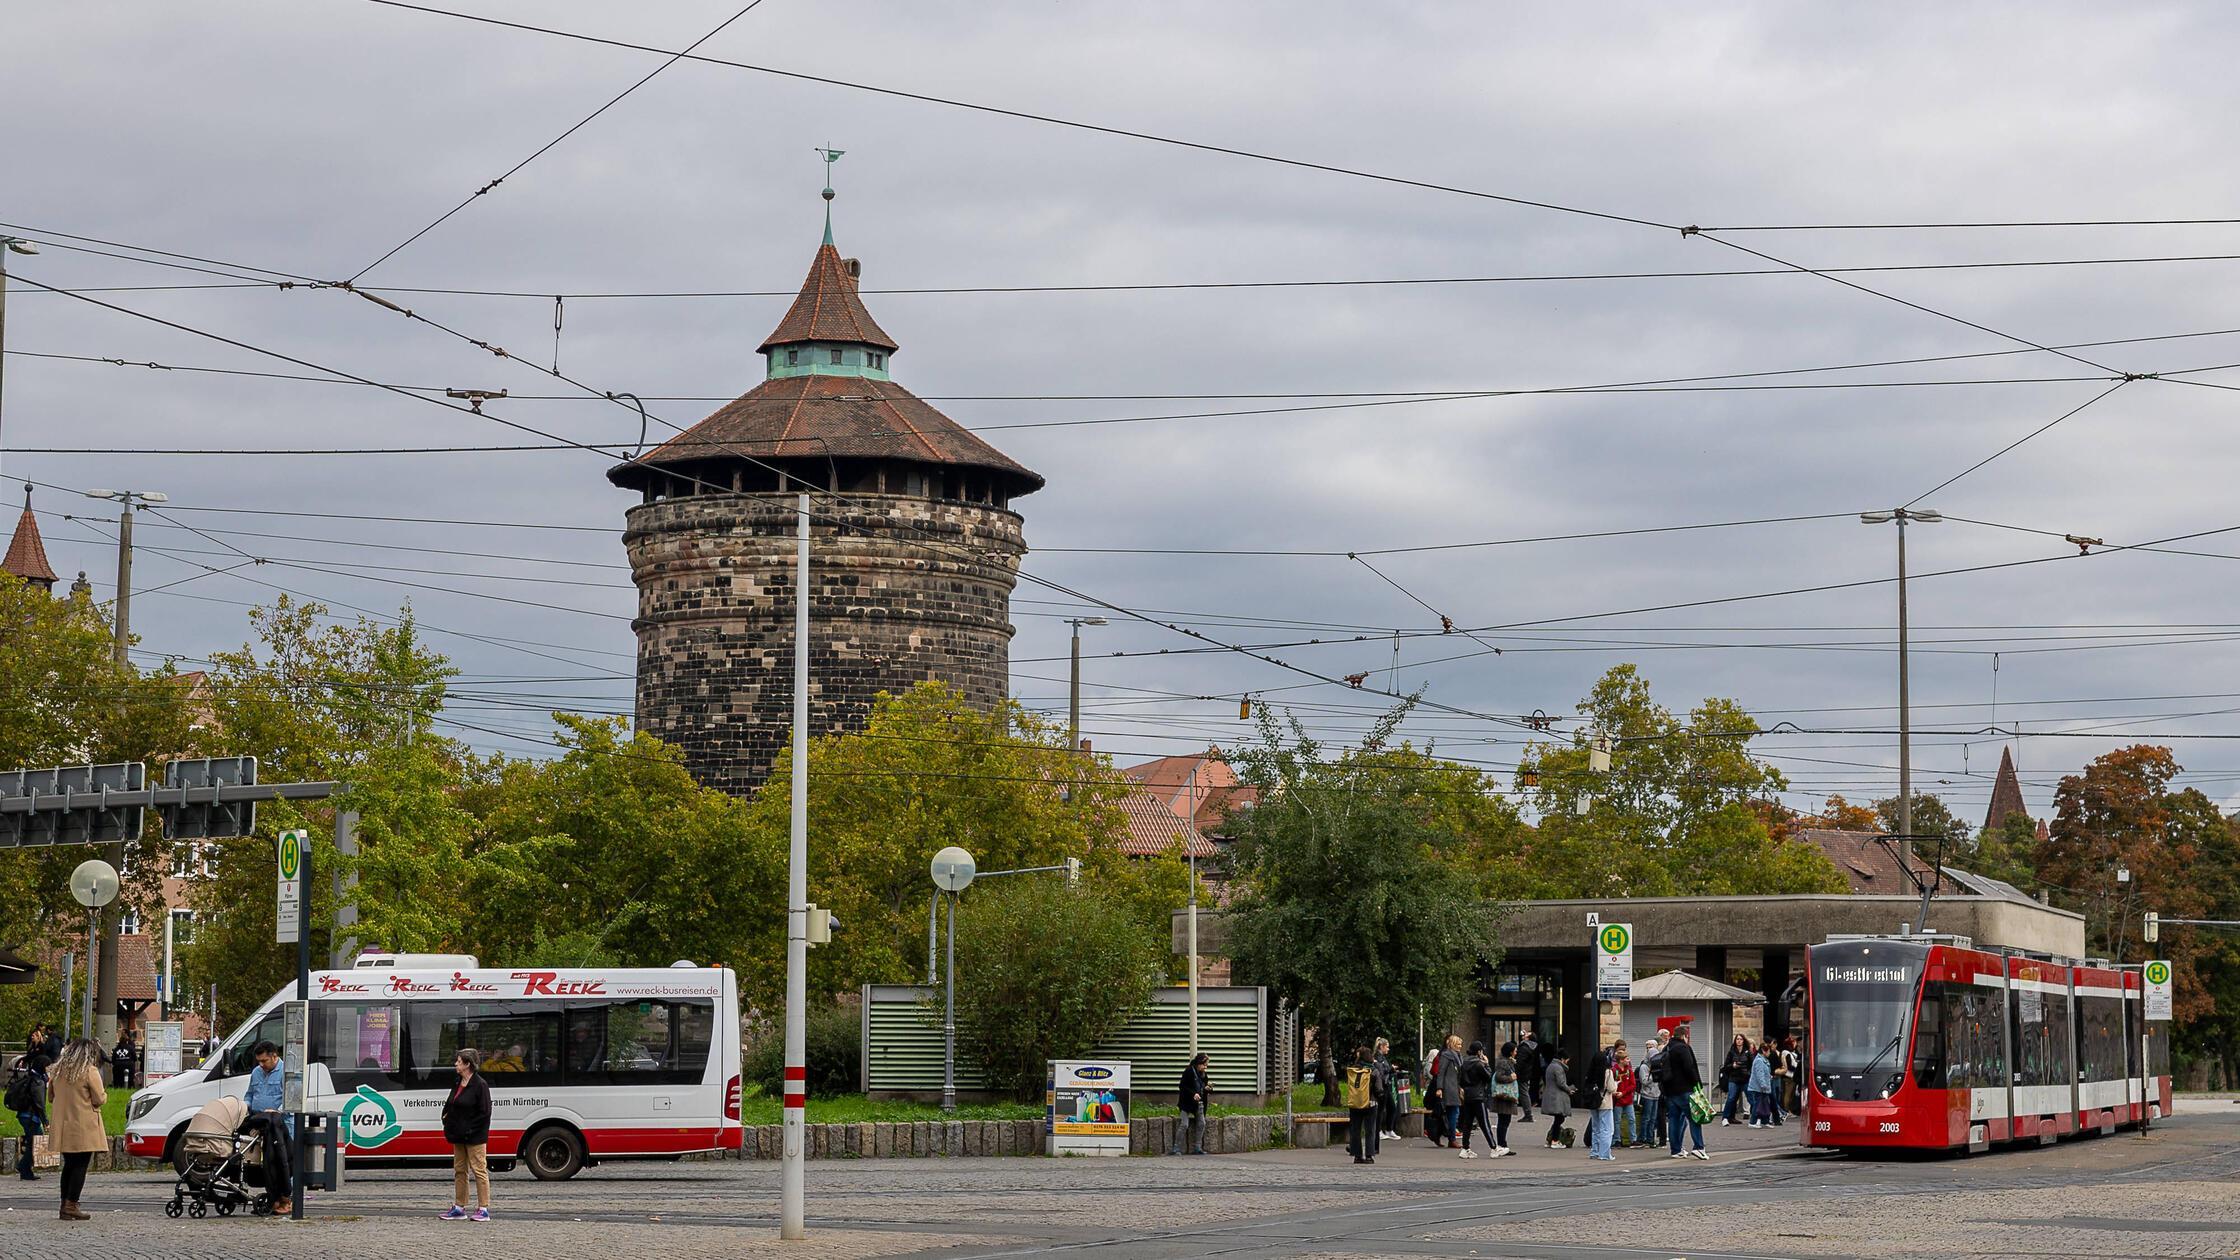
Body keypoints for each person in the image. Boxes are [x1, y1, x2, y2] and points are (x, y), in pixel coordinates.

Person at [49, 1038, 106, 1221]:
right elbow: (99, 1098)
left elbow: (50, 1096)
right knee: (81, 1165)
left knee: (69, 1165)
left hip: (63, 1125)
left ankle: (64, 1204)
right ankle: (72, 1204)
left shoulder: (57, 1071)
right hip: (83, 1124)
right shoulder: (89, 1071)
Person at [441, 1048, 493, 1221]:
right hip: (458, 1134)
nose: (456, 1064)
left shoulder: (480, 1085)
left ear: (467, 1064)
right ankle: (459, 1206)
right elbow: (451, 1103)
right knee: (460, 1170)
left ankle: (483, 1208)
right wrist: (446, 1118)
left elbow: (485, 1113)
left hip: (474, 1136)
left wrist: (470, 1129)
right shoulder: (458, 1082)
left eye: (458, 1061)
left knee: (479, 1170)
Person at [243, 1040, 295, 1215]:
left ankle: (287, 1199)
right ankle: (273, 1198)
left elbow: (292, 1097)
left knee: (284, 1160)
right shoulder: (256, 1073)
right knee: (267, 1163)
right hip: (261, 1123)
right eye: (259, 1061)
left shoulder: (286, 1072)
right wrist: (245, 1107)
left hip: (282, 1123)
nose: (261, 1065)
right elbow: (250, 1094)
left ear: (274, 1056)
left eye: (264, 1061)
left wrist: (278, 1111)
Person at [1664, 1023, 1708, 1160]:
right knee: (1695, 1118)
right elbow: (1689, 1068)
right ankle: (1699, 1147)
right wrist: (1697, 1084)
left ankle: (1675, 1150)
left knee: (1674, 1120)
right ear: (1684, 1036)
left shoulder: (1667, 1048)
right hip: (1685, 1089)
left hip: (1670, 1090)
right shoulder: (1683, 1048)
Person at [8, 1050, 48, 1180]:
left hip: (24, 1115)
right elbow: (40, 1104)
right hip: (31, 1116)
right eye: (48, 1066)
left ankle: (26, 1169)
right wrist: (46, 1121)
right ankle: (24, 1166)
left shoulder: (30, 1076)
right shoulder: (39, 1082)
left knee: (33, 1142)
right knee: (35, 1142)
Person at [1456, 1041, 1495, 1158]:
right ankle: (1493, 1147)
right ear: (1479, 1052)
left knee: (1467, 1123)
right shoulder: (1479, 1064)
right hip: (1478, 1095)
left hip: (1468, 1095)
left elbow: (1461, 1080)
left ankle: (1465, 1148)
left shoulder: (1464, 1063)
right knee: (1484, 1123)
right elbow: (1488, 1077)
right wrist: (1487, 1064)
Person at [1343, 1046, 1379, 1165]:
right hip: (1370, 1103)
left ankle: (1357, 1156)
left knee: (1355, 1130)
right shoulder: (1373, 1071)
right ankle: (1369, 1156)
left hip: (1355, 1103)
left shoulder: (1353, 1070)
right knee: (1370, 1130)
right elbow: (1379, 1089)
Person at [1173, 1052, 1209, 1156]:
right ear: (1199, 1063)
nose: (1205, 1067)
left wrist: (1207, 1088)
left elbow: (1204, 1086)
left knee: (1202, 1123)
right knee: (1184, 1124)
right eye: (1204, 1065)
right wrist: (1193, 1094)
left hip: (1199, 1103)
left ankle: (1197, 1147)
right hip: (1186, 1103)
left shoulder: (1203, 1074)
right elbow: (1182, 1086)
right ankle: (1176, 1147)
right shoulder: (1189, 1071)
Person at [1431, 1034, 1464, 1149]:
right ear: (1453, 1044)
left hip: (1455, 1087)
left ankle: (1448, 1137)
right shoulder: (1446, 1056)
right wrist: (1439, 1088)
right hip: (1449, 1088)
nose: (1460, 1046)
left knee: (1453, 1113)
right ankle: (1452, 1138)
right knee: (1453, 1113)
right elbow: (1441, 1072)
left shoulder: (1458, 1056)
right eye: (1458, 1044)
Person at [1584, 1046, 1616, 1160]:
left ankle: (1595, 1151)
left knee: (1596, 1128)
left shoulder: (1590, 1072)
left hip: (1593, 1101)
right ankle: (1605, 1154)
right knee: (1607, 1129)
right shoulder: (1607, 1072)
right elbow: (1612, 1088)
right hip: (1605, 1102)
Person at [1488, 1042, 1520, 1156]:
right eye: (1515, 1050)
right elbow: (1498, 1077)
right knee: (1503, 1121)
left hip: (1506, 1097)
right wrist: (1510, 1078)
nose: (1516, 1052)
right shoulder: (1503, 1062)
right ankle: (1502, 1145)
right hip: (1504, 1096)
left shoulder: (1507, 1061)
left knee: (1505, 1121)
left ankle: (1503, 1144)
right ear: (1510, 1051)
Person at [1635, 1032, 1665, 1148]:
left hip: (1656, 1095)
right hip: (1647, 1095)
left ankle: (1651, 1138)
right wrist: (1654, 1076)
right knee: (1646, 1117)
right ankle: (1643, 1137)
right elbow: (1644, 1081)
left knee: (1653, 1118)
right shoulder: (1644, 1067)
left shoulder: (1657, 1066)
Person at [1540, 1045, 1573, 1148]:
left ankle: (1550, 1140)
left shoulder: (1551, 1066)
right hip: (1557, 1096)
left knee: (1558, 1119)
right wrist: (1569, 1089)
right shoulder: (1558, 1068)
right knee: (1559, 1118)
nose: (1567, 1062)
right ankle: (1554, 1140)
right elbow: (1561, 1083)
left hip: (1552, 1094)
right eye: (1567, 1060)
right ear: (1562, 1059)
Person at [1719, 1033, 1752, 1125]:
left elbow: (1751, 1064)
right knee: (1731, 1097)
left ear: (1743, 1041)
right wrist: (1732, 1065)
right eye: (1737, 1039)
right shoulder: (1731, 1052)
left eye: (1741, 1039)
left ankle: (1757, 1117)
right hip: (1734, 1078)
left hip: (1745, 1078)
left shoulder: (1747, 1052)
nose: (1739, 1041)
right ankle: (1725, 1118)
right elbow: (1726, 1066)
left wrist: (1748, 1073)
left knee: (1750, 1098)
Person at [1609, 1041, 1637, 1148]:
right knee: (1617, 1121)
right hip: (1618, 1100)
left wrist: (1623, 1093)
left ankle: (1633, 1139)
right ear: (1621, 1060)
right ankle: (1617, 1139)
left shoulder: (1629, 1071)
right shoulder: (1614, 1070)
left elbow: (1632, 1085)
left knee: (1631, 1119)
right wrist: (1616, 1093)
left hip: (1627, 1099)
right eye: (1627, 1059)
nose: (1628, 1061)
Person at [1371, 1038, 1400, 1140]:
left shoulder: (1382, 1057)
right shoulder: (1377, 1058)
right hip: (1381, 1086)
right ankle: (1378, 1131)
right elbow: (1381, 1071)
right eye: (1387, 1046)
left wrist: (1391, 1070)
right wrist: (1390, 1069)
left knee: (1392, 1107)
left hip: (1386, 1085)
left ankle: (1389, 1129)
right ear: (1381, 1047)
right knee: (1380, 1109)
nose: (1388, 1049)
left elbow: (1384, 1070)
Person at [1513, 1029, 1542, 1122]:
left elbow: (1520, 1062)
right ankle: (1528, 1114)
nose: (1524, 1034)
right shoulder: (1530, 1047)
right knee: (1523, 1092)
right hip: (1526, 1073)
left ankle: (1528, 1114)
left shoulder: (1524, 1048)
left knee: (1523, 1093)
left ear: (1528, 1038)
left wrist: (1515, 1071)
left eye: (1527, 1034)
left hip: (1522, 1074)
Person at [1747, 1040, 1776, 1128]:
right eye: (1769, 1051)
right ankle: (1752, 1122)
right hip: (1758, 1088)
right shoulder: (1759, 1061)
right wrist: (1764, 1085)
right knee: (1757, 1105)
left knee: (1764, 1105)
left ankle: (1765, 1121)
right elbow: (1760, 1075)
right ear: (1764, 1051)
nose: (1770, 1053)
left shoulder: (1764, 1060)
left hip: (1763, 1087)